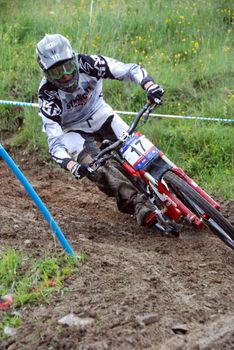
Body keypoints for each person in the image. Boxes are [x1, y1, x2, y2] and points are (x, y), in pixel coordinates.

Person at [36, 34, 164, 227]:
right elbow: (55, 145)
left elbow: (128, 70)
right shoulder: (47, 96)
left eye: (68, 67)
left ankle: (169, 178)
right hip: (71, 131)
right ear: (46, 73)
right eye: (56, 72)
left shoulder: (89, 63)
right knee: (97, 168)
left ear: (74, 58)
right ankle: (138, 204)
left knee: (137, 147)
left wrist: (149, 85)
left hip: (98, 112)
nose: (66, 76)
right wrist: (72, 166)